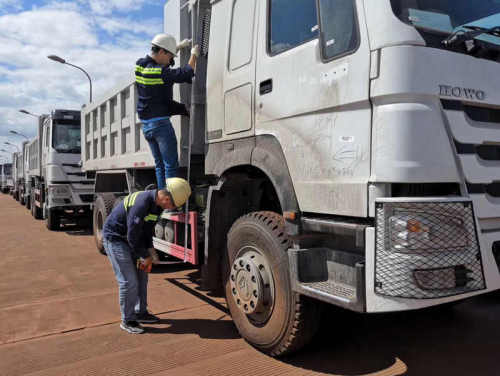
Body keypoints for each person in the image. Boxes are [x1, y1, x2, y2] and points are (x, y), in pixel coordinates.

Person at [102, 177, 192, 334]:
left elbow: (147, 230)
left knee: (143, 275)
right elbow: (132, 235)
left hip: (132, 239)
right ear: (165, 198)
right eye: (172, 205)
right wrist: (145, 255)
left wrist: (151, 251)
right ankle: (128, 320)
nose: (171, 208)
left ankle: (140, 312)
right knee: (128, 281)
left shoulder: (157, 207)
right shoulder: (141, 203)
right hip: (116, 239)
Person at [135, 33, 200, 190]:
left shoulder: (140, 66)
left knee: (160, 165)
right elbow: (185, 73)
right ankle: (171, 202)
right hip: (160, 125)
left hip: (146, 126)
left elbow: (160, 61)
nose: (170, 60)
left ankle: (163, 199)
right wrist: (193, 55)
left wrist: (176, 47)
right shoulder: (159, 72)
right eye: (170, 55)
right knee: (170, 164)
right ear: (162, 52)